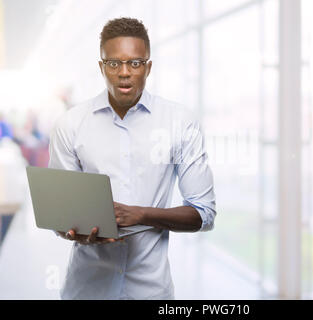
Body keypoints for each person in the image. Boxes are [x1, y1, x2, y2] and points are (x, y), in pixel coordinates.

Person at [48, 17, 216, 300]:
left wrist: (140, 214)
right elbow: (61, 219)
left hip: (150, 291)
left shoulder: (180, 123)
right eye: (114, 63)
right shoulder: (70, 124)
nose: (124, 72)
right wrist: (71, 232)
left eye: (135, 63)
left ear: (148, 68)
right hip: (86, 289)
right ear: (102, 67)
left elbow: (204, 214)